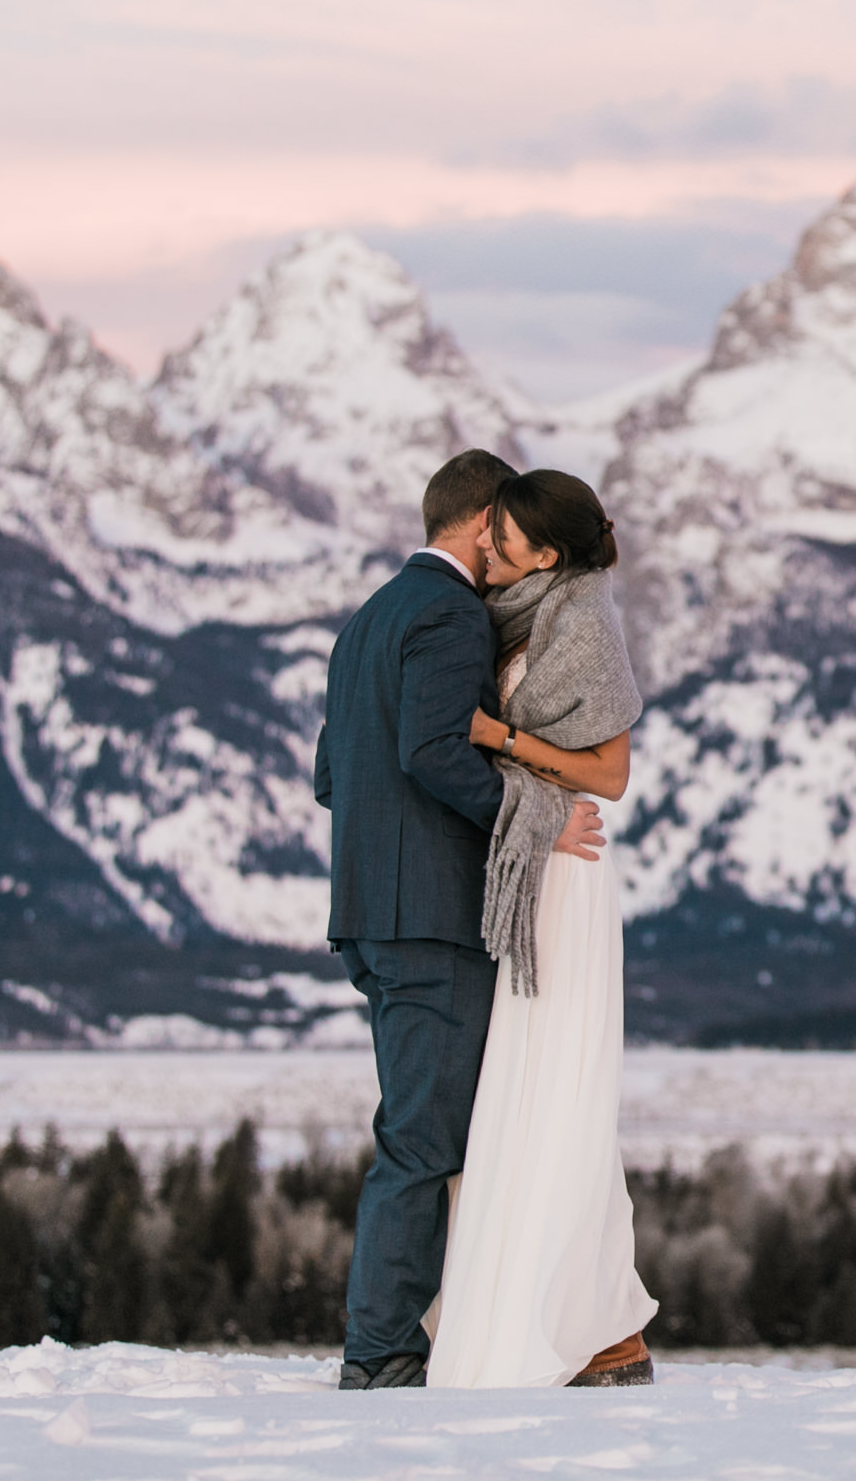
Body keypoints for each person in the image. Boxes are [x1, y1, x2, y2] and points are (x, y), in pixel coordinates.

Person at [316, 449, 606, 1392]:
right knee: (424, 1141)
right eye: (509, 531)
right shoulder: (446, 613)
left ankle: (424, 1332)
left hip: (369, 910)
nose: (513, 551)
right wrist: (543, 817)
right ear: (484, 525)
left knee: (420, 1128)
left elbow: (333, 774)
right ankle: (383, 1351)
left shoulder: (365, 622)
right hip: (433, 917)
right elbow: (436, 751)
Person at [426, 467, 659, 1388]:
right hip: (530, 862)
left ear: (547, 553)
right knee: (517, 1082)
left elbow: (608, 775)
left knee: (555, 1080)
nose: (492, 546)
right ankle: (586, 1316)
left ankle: (568, 1314)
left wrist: (500, 738)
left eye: (507, 537)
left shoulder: (584, 623)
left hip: (567, 867)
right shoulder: (523, 609)